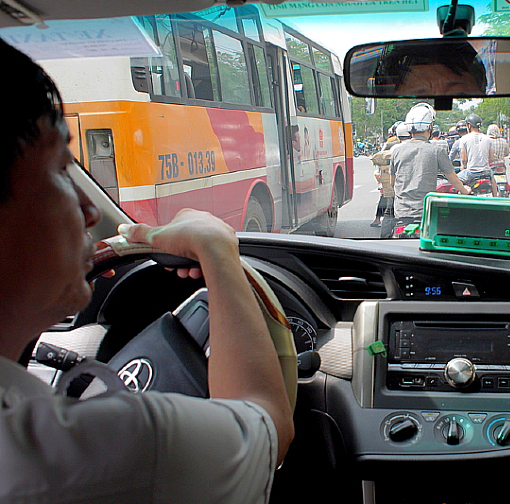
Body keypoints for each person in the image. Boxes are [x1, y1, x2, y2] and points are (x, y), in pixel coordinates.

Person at [0, 39, 293, 502]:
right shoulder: (108, 448)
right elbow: (266, 422)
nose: (89, 210)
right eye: (61, 168)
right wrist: (217, 252)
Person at [390, 103, 469, 231]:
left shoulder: (397, 151)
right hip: (425, 214)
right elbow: (453, 180)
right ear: (430, 127)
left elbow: (392, 184)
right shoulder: (436, 150)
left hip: (401, 214)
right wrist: (465, 191)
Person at [370, 123, 402, 231]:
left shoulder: (391, 143)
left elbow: (379, 157)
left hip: (389, 177)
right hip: (396, 177)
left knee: (386, 199)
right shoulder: (397, 144)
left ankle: (378, 219)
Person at [459, 114, 498, 196]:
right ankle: (495, 198)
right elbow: (491, 158)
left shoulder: (464, 139)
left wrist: (463, 166)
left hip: (471, 173)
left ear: (469, 125)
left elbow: (464, 159)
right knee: (493, 180)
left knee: (455, 181)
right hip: (486, 172)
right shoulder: (488, 139)